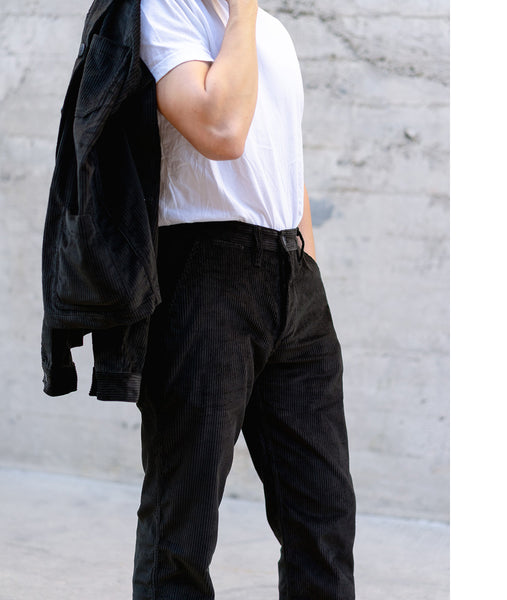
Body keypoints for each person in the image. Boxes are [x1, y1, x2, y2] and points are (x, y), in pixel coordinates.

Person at [135, 0, 355, 598]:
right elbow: (222, 129)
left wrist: (305, 261)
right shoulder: (163, 11)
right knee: (182, 520)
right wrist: (243, 12)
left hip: (293, 278)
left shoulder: (272, 33)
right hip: (203, 274)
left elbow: (285, 158)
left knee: (324, 515)